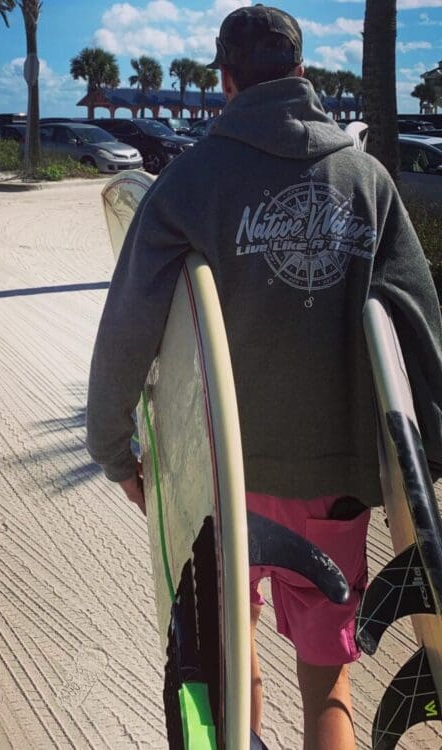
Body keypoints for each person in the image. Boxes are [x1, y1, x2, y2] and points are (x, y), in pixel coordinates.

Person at [86, 4, 442, 749]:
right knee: (328, 682)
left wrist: (117, 450)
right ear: (302, 73)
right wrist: (424, 469)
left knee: (229, 659)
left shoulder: (186, 183)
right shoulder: (366, 179)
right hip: (333, 479)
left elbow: (129, 329)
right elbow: (416, 326)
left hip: (221, 476)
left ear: (226, 80)